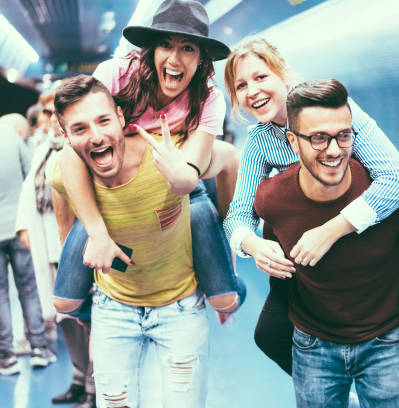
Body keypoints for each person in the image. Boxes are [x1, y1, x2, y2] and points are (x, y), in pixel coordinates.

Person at [223, 36, 399, 407]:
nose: (253, 91)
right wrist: (252, 244)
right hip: (320, 259)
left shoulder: (335, 111)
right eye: (241, 86)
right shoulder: (260, 141)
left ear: (283, 74)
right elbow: (238, 215)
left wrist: (331, 229)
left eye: (260, 77)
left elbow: (397, 180)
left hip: (395, 238)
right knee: (269, 334)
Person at [53, 0, 244, 322]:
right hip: (112, 198)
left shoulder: (207, 98)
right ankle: (104, 305)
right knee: (65, 305)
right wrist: (96, 233)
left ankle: (215, 281)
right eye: (165, 45)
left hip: (177, 193)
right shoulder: (115, 75)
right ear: (151, 51)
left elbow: (188, 178)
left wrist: (176, 165)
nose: (174, 58)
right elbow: (70, 155)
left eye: (187, 48)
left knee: (227, 300)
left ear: (201, 59)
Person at [50, 74, 209, 407]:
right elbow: (62, 204)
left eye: (103, 121)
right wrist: (82, 260)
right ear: (65, 137)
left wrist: (234, 241)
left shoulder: (167, 156)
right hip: (113, 309)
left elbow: (229, 158)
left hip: (179, 307)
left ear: (121, 118)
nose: (96, 137)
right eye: (79, 129)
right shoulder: (64, 171)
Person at [0, 118, 56, 376]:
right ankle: (38, 349)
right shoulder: (14, 140)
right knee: (29, 288)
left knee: (0, 294)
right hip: (19, 228)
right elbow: (30, 178)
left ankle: (6, 357)